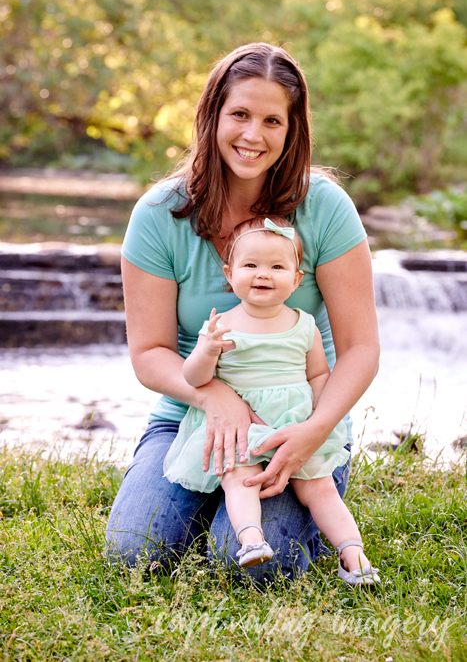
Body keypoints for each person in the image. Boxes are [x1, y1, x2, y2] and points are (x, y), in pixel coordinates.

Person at [105, 42, 380, 583]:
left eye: (272, 120)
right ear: (212, 117)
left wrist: (315, 429)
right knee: (135, 554)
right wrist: (215, 397)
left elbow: (360, 349)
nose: (253, 135)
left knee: (258, 570)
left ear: (292, 129)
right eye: (239, 115)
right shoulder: (160, 215)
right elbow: (149, 352)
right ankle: (211, 493)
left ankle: (277, 513)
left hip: (296, 419)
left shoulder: (324, 207)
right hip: (191, 417)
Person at [163, 216, 380, 585]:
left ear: (296, 279)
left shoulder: (303, 324)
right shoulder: (220, 325)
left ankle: (351, 552)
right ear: (229, 274)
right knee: (240, 478)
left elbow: (318, 376)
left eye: (277, 267)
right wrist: (207, 350)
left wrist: (315, 421)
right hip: (242, 426)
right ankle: (251, 539)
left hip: (294, 421)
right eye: (251, 265)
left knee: (319, 486)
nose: (263, 274)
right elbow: (194, 378)